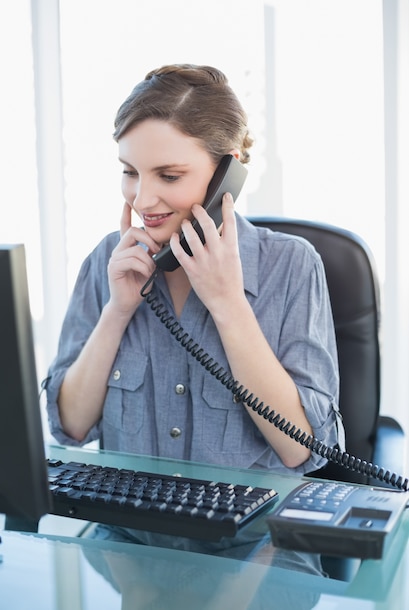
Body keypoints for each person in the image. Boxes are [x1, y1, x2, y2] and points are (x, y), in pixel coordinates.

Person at [46, 63, 344, 479]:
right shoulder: (106, 262)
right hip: (126, 534)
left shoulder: (293, 266)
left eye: (169, 175)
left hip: (254, 542)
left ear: (228, 172)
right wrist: (117, 311)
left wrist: (228, 304)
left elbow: (304, 450)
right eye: (130, 172)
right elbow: (70, 429)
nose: (143, 199)